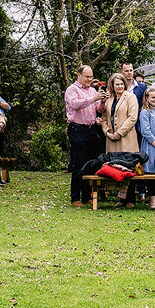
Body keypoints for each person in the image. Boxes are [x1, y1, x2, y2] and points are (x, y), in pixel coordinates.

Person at [65, 65, 108, 207]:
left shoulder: (92, 90)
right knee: (78, 163)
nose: (89, 79)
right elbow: (75, 104)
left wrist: (102, 101)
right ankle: (75, 198)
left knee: (90, 164)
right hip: (77, 129)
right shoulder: (72, 89)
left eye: (91, 76)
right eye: (87, 76)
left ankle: (87, 196)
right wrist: (94, 98)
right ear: (79, 75)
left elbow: (99, 110)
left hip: (91, 130)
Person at [99, 72, 139, 207]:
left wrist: (120, 133)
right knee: (115, 167)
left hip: (126, 138)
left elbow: (132, 117)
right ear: (112, 85)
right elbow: (104, 118)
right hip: (111, 139)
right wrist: (107, 132)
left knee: (128, 167)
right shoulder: (109, 99)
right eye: (117, 84)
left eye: (122, 83)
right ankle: (121, 199)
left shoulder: (131, 97)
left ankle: (130, 199)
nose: (120, 86)